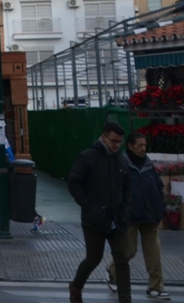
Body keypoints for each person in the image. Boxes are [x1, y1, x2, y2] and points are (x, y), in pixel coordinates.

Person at [67, 121, 132, 303]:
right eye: (113, 141)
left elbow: (128, 186)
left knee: (122, 260)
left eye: (120, 142)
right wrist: (88, 207)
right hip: (94, 220)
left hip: (118, 219)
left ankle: (126, 300)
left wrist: (126, 209)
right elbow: (74, 183)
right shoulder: (88, 157)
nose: (117, 145)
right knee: (93, 258)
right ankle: (76, 287)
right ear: (103, 137)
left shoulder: (120, 159)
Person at [106, 132, 170, 300]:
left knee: (154, 253)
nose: (143, 148)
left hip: (150, 216)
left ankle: (156, 287)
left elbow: (157, 186)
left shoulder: (148, 164)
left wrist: (160, 206)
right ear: (130, 146)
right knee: (129, 251)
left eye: (144, 145)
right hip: (131, 217)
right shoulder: (121, 164)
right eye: (139, 145)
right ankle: (113, 270)